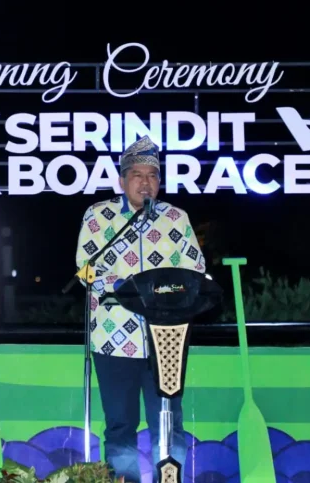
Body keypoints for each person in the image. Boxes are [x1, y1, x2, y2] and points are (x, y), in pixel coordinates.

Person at [74, 136, 206, 482]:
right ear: (122, 180)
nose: (145, 182)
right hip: (113, 340)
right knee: (120, 425)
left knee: (168, 424)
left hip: (166, 341)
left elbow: (196, 271)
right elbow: (87, 271)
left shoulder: (176, 218)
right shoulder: (98, 216)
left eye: (152, 175)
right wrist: (135, 287)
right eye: (137, 175)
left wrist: (163, 290)